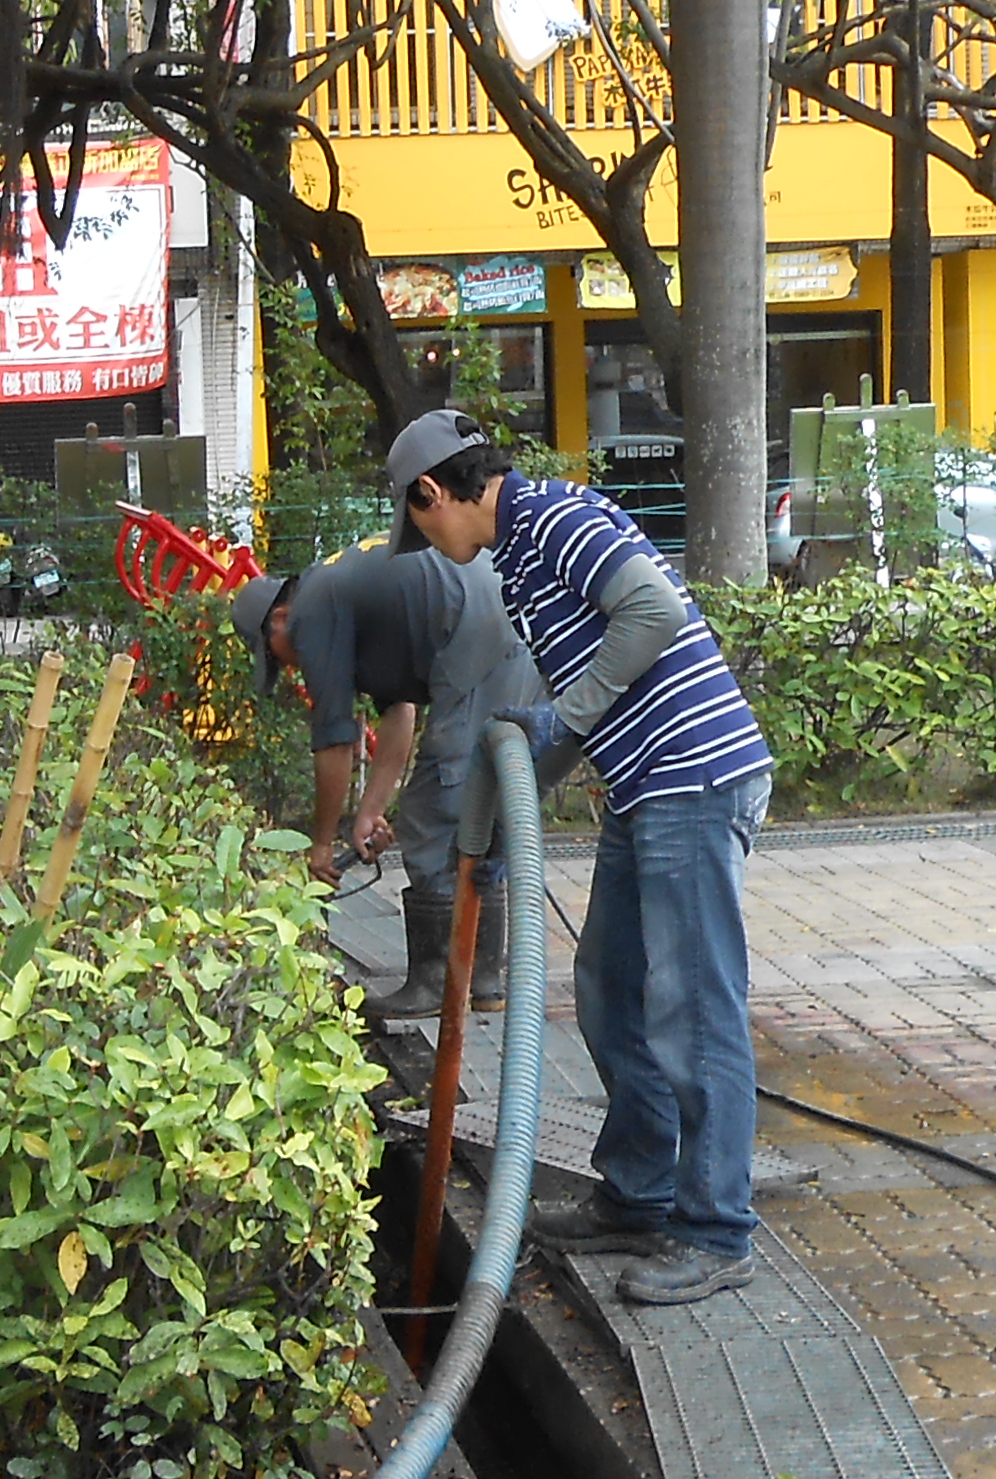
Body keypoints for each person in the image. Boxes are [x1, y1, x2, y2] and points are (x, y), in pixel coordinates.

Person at [383, 407, 771, 1309]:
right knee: (608, 989)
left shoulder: (556, 517)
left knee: (693, 1009)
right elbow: (578, 703)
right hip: (648, 788)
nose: (429, 544)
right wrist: (508, 795)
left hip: (693, 779)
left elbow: (652, 609)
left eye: (422, 523)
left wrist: (568, 719)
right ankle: (639, 1193)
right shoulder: (519, 554)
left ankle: (716, 1231)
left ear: (435, 491)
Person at [226, 538, 536, 1014]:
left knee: (430, 814)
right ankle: (483, 981)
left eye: (275, 656)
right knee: (479, 800)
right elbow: (400, 712)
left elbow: (333, 742)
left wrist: (322, 844)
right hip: (506, 618)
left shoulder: (311, 613)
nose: (288, 668)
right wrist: (369, 811)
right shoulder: (340, 593)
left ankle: (436, 984)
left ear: (280, 621)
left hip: (477, 628)